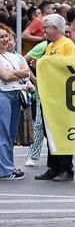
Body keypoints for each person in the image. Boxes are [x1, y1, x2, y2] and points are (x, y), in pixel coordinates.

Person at [34, 14, 75, 182]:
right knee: (50, 132)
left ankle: (66, 168)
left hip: (62, 96)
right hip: (49, 96)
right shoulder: (50, 46)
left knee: (61, 132)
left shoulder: (67, 45)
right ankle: (53, 167)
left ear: (55, 28)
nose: (44, 30)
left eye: (46, 27)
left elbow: (72, 67)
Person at [0, 23, 33, 180]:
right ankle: (5, 169)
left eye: (6, 36)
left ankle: (9, 166)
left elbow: (25, 73)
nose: (5, 39)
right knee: (3, 133)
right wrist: (17, 73)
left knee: (11, 134)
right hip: (3, 95)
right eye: (1, 37)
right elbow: (5, 77)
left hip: (15, 95)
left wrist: (13, 73)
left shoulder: (13, 56)